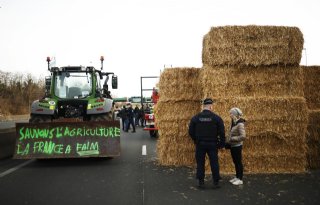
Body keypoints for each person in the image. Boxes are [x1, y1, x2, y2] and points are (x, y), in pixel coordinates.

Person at [188, 98, 225, 189]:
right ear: (211, 106)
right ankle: (216, 182)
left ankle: (201, 182)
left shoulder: (196, 118)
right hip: (212, 144)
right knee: (214, 162)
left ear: (203, 106)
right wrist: (221, 144)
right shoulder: (217, 118)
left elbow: (190, 131)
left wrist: (195, 140)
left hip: (200, 144)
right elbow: (222, 132)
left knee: (200, 163)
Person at [227, 107, 246, 186]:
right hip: (233, 145)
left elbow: (243, 136)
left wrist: (232, 138)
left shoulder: (240, 124)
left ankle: (240, 179)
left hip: (237, 146)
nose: (230, 115)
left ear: (234, 114)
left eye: (231, 113)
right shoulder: (234, 122)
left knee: (238, 162)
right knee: (235, 162)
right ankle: (237, 177)